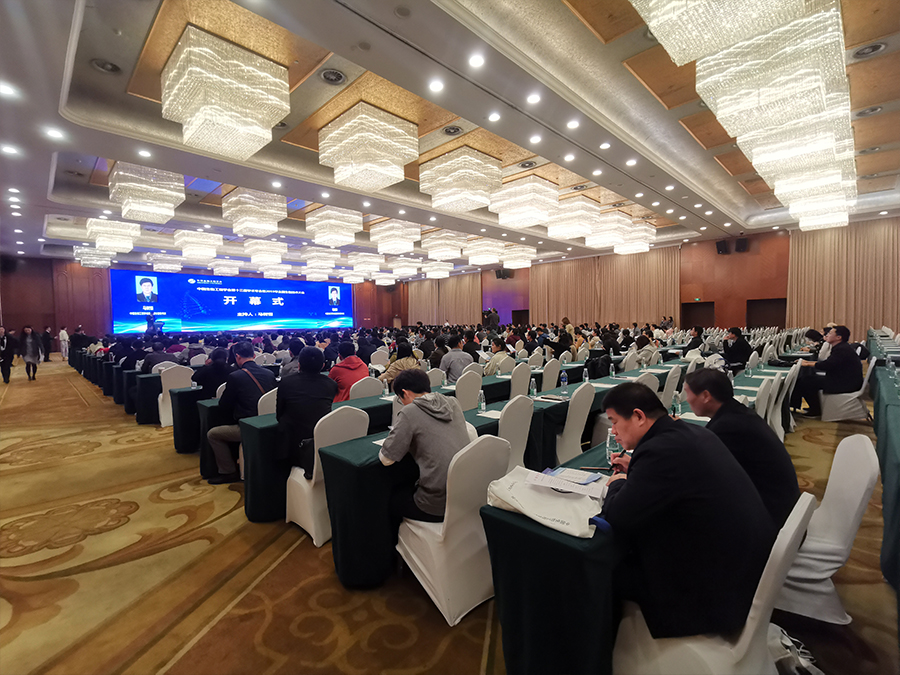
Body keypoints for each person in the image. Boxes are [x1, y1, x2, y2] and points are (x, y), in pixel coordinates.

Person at [600, 383, 775, 639]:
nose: (613, 431)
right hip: (743, 569)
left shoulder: (660, 451)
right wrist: (635, 470)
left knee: (597, 568)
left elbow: (618, 517)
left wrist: (618, 483)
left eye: (614, 422)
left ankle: (606, 649)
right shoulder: (691, 432)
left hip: (713, 593)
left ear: (638, 416)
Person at [684, 369, 799, 528]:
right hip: (783, 503)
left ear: (705, 396)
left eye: (687, 393)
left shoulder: (727, 428)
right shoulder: (737, 412)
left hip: (771, 517)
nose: (686, 399)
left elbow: (702, 473)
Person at [379, 368, 470, 526]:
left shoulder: (410, 411)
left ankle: (397, 543)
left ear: (405, 393)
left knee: (391, 500)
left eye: (400, 399)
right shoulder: (453, 402)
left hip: (436, 504)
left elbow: (386, 459)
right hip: (465, 495)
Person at [207, 341, 277, 484]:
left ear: (237, 356)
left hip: (249, 427)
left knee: (213, 434)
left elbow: (224, 405)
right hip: (270, 423)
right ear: (254, 355)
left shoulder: (235, 376)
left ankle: (228, 471)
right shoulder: (269, 374)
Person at [276, 346, 338, 477]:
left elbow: (279, 414)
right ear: (322, 366)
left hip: (292, 444)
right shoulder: (331, 384)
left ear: (299, 365)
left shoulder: (286, 383)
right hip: (321, 440)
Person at [790, 325, 863, 417]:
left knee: (805, 382)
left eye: (830, 333)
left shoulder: (842, 349)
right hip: (844, 380)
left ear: (838, 337)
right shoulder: (841, 347)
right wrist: (808, 362)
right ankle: (809, 407)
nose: (826, 335)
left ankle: (815, 410)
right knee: (807, 379)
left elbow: (827, 365)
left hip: (846, 384)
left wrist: (808, 363)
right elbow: (829, 363)